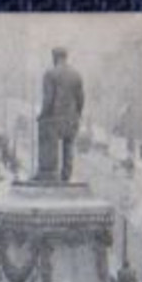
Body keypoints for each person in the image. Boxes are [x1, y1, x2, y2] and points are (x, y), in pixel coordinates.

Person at [36, 46, 84, 182]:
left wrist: (42, 115)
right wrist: (78, 115)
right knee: (68, 147)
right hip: (71, 120)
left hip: (54, 120)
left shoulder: (50, 74)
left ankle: (49, 173)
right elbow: (81, 99)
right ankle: (66, 176)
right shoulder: (76, 75)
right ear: (65, 57)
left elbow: (48, 98)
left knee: (49, 141)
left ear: (54, 57)